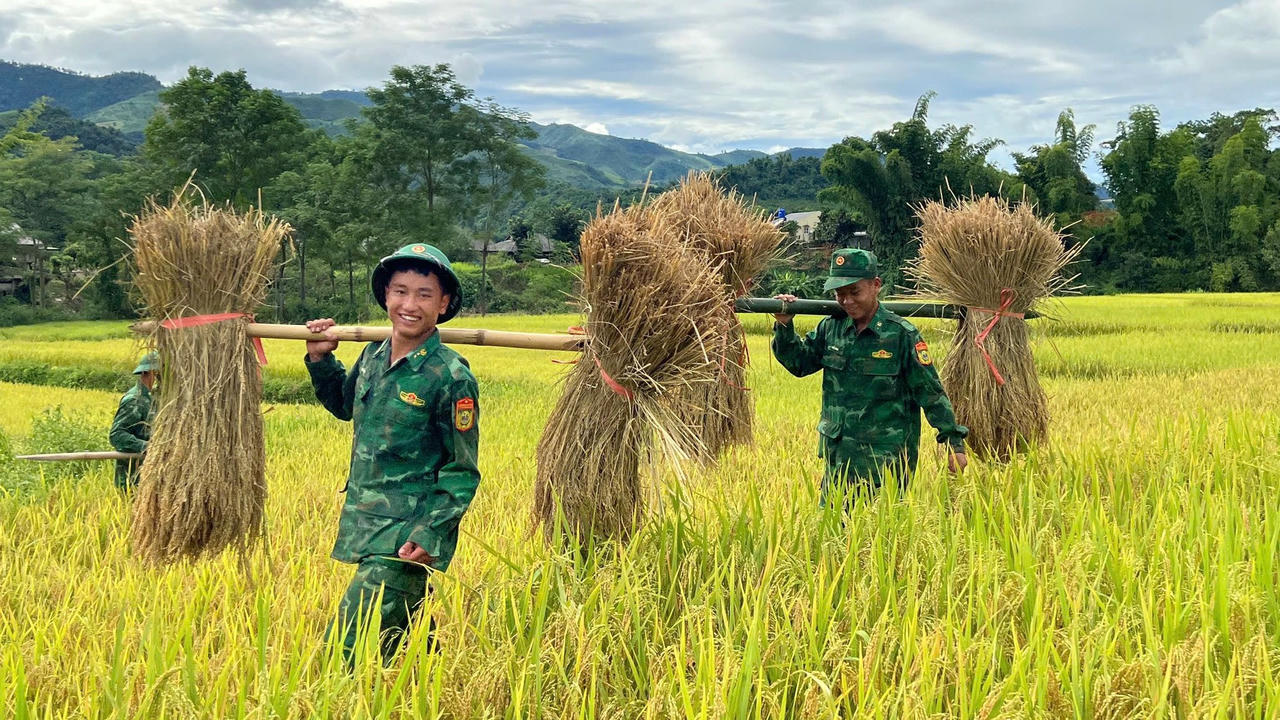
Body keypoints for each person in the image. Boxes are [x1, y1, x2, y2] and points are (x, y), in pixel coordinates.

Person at [304, 242, 481, 665]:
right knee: (408, 650)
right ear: (386, 295)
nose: (410, 305)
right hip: (365, 522)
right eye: (400, 291)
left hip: (405, 538)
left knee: (344, 652)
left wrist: (430, 532)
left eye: (424, 294)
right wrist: (320, 359)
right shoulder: (372, 356)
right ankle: (433, 685)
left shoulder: (450, 376)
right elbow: (344, 405)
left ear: (444, 303)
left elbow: (461, 470)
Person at [771, 248, 968, 505]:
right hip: (838, 458)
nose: (847, 301)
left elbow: (930, 392)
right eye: (839, 294)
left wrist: (953, 443)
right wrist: (784, 324)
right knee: (832, 526)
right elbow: (799, 364)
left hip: (885, 461)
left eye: (855, 292)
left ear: (876, 285)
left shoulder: (901, 335)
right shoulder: (831, 328)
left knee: (880, 527)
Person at [109, 351, 157, 491]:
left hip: (150, 477)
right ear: (151, 373)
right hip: (132, 479)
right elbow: (117, 435)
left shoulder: (155, 398)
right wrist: (147, 447)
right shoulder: (135, 400)